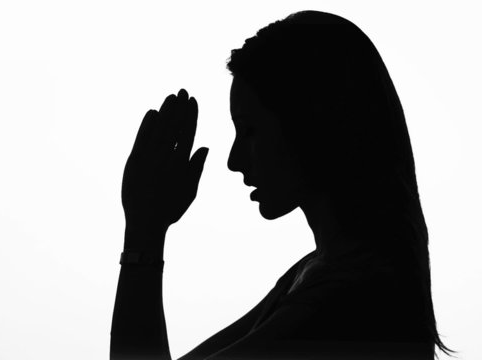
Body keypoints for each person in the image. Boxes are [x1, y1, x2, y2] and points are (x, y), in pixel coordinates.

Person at [110, 10, 456, 360]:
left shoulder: (348, 302)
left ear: (311, 126)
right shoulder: (319, 274)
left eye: (250, 131)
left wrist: (144, 233)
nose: (234, 160)